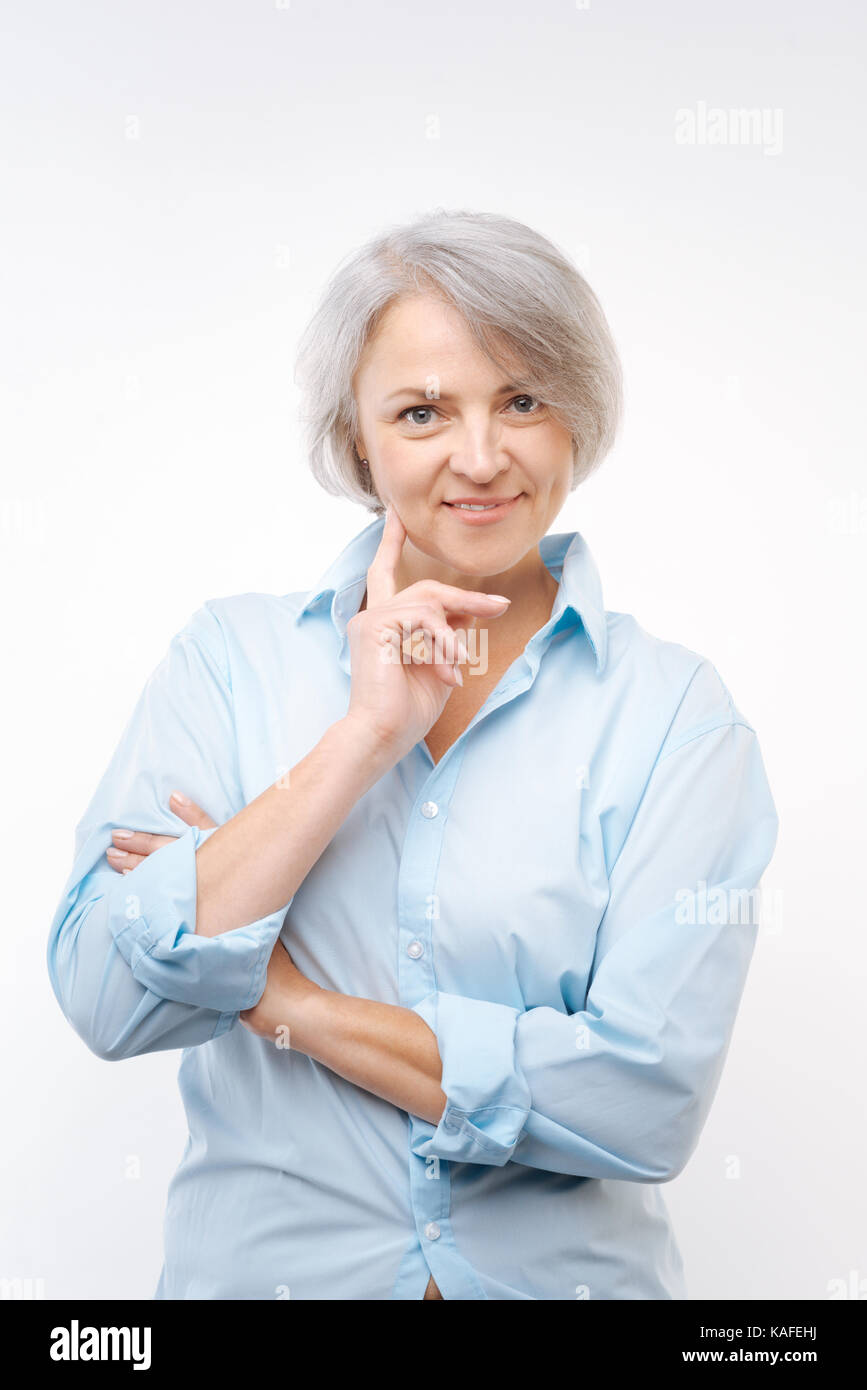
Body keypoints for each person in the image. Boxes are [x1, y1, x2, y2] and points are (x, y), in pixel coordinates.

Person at [47, 209, 779, 1300]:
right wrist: (361, 740)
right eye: (423, 410)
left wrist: (289, 1005)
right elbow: (108, 997)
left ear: (575, 414)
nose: (479, 457)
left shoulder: (676, 717)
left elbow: (646, 1101)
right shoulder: (229, 666)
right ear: (359, 438)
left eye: (522, 399)